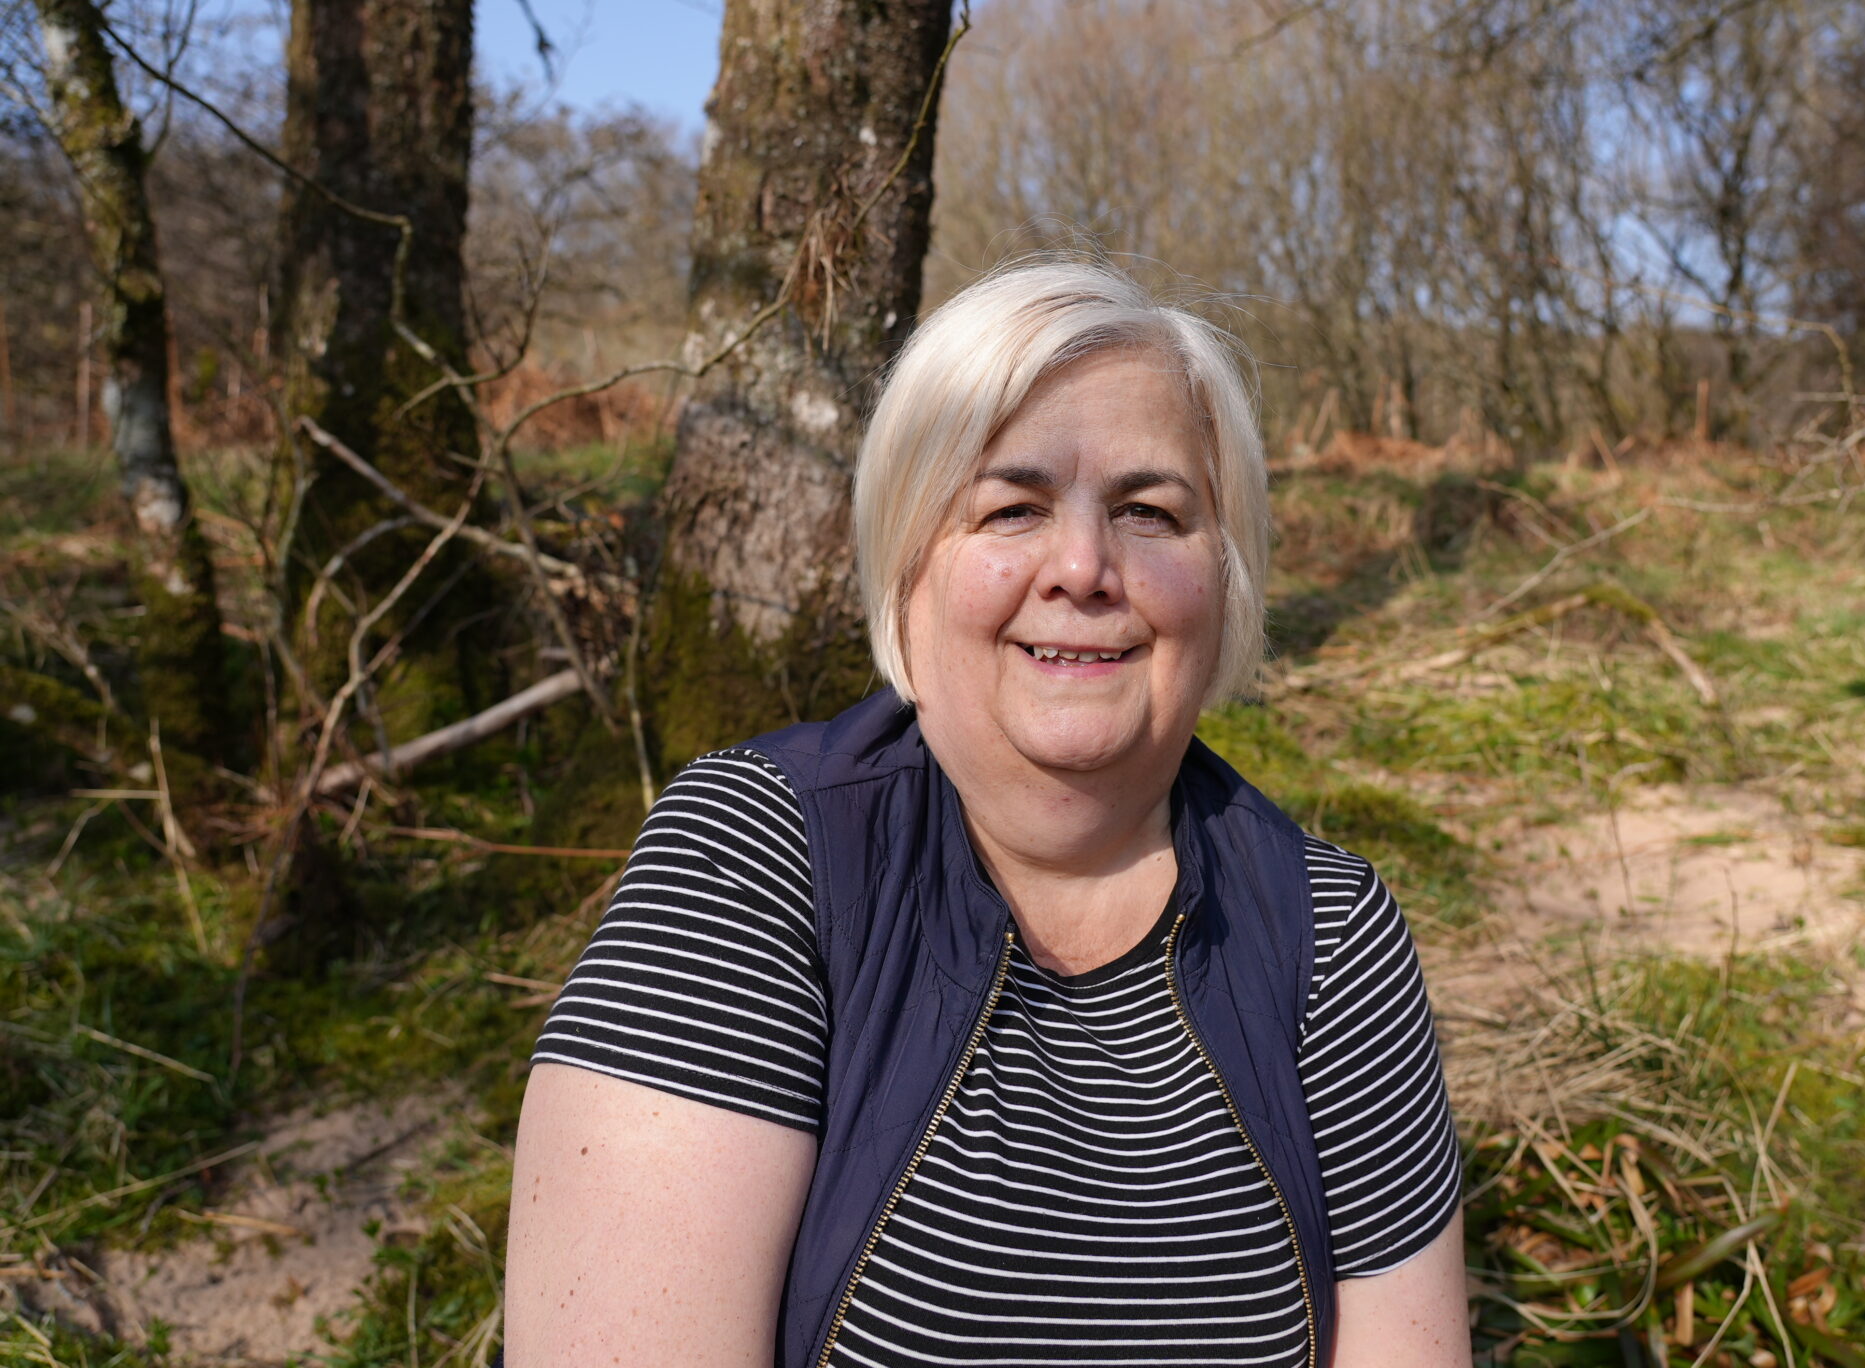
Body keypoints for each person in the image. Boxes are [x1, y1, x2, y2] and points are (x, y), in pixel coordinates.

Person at [504, 260, 1469, 1367]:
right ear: (906, 568)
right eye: (1012, 507)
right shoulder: (755, 857)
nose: (1083, 567)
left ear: (1224, 576)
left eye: (1148, 511)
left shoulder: (1331, 933)